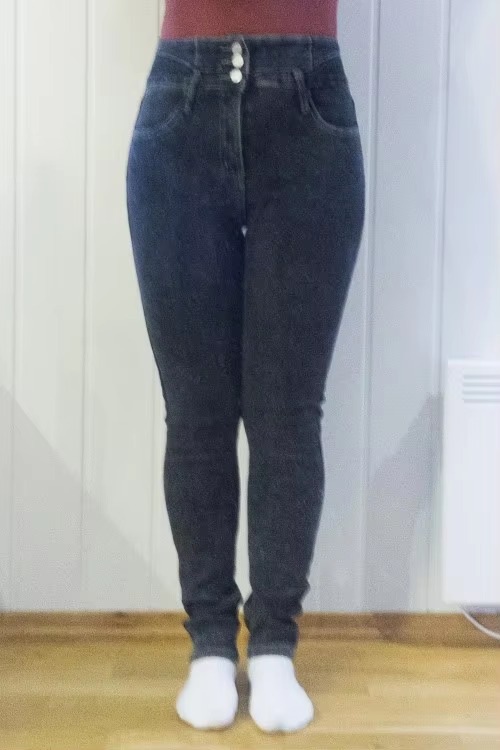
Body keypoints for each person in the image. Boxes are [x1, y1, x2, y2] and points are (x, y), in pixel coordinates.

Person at [126, 0, 365, 733]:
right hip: (180, 103)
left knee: (286, 413)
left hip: (310, 108)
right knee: (196, 412)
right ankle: (207, 646)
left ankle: (272, 648)